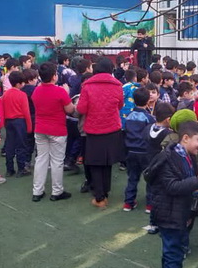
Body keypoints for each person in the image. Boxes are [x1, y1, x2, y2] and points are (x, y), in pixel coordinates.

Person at [146, 121, 198, 268]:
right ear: (186, 138)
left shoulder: (185, 155)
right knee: (174, 256)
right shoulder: (169, 158)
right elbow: (172, 187)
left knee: (172, 253)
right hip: (169, 214)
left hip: (177, 212)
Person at [77, 57, 124, 208]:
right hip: (112, 128)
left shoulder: (87, 86)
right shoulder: (117, 85)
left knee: (95, 163)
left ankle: (99, 197)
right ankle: (105, 191)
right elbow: (120, 105)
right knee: (107, 162)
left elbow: (81, 109)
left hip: (93, 129)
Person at [31, 62, 75, 202]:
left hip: (40, 129)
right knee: (57, 161)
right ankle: (57, 191)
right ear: (54, 76)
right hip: (57, 130)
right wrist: (67, 93)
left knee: (41, 159)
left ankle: (37, 191)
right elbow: (70, 109)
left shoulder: (36, 91)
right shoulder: (60, 91)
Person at [123, 87, 155, 211]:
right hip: (145, 151)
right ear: (148, 101)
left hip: (131, 151)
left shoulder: (129, 116)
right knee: (150, 178)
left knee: (132, 177)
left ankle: (128, 202)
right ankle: (150, 205)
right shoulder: (149, 118)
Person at [2, 71, 33, 178]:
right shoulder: (22, 95)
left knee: (10, 145)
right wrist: (29, 127)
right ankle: (21, 168)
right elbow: (26, 112)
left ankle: (9, 169)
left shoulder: (5, 94)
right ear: (19, 83)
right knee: (21, 145)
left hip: (8, 121)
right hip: (20, 121)